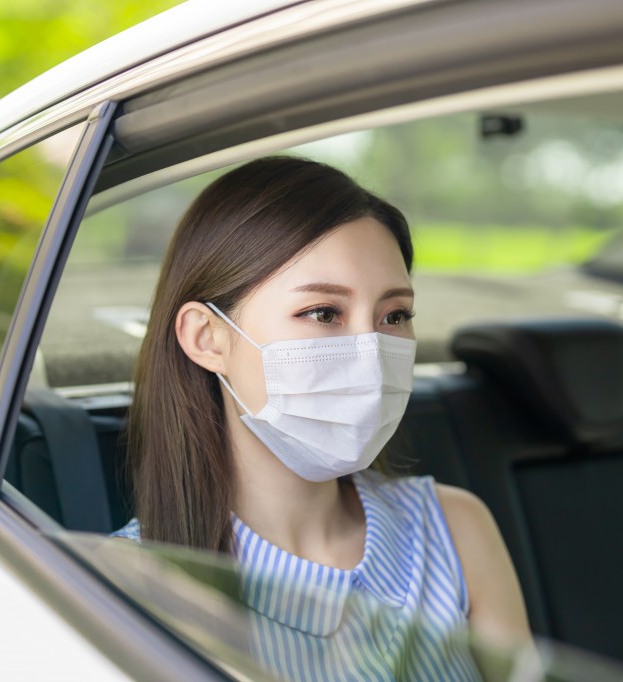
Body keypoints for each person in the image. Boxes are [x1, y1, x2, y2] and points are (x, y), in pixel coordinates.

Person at [113, 156, 530, 679]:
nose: (371, 351)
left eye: (394, 315)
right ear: (207, 339)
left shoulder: (455, 526)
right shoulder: (125, 584)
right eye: (323, 313)